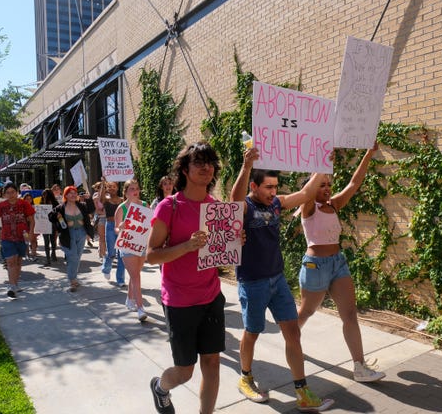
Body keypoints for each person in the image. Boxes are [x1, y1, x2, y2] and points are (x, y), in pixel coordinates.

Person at [230, 147, 333, 412]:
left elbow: (305, 194)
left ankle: (302, 391)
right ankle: (245, 377)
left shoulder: (276, 203)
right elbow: (234, 199)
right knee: (252, 333)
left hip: (277, 281)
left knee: (293, 333)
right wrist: (246, 166)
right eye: (267, 187)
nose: (273, 192)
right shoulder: (245, 207)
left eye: (275, 187)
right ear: (254, 185)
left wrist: (323, 164)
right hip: (252, 282)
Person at [146, 142, 226, 414]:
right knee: (184, 372)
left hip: (211, 295)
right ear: (184, 169)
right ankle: (160, 387)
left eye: (210, 163)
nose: (206, 168)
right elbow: (151, 255)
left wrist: (233, 242)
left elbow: (221, 256)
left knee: (213, 362)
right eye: (199, 162)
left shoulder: (216, 207)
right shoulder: (170, 206)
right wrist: (185, 247)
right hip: (179, 300)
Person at [297, 142, 385, 383]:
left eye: (328, 184)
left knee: (350, 314)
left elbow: (354, 183)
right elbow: (308, 191)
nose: (326, 188)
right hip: (315, 266)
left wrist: (368, 153)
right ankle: (291, 340)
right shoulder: (308, 207)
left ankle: (359, 366)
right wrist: (322, 163)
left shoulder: (334, 204)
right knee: (306, 311)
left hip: (338, 264)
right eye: (321, 185)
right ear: (312, 187)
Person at [0, 182, 35, 299]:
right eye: (8, 193)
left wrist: (31, 233)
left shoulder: (24, 204)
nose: (11, 195)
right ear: (4, 194)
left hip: (22, 237)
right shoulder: (1, 206)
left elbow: (31, 220)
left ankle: (16, 284)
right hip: (7, 237)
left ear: (17, 192)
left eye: (13, 192)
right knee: (10, 261)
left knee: (18, 261)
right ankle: (12, 286)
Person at [114, 179, 149, 321]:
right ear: (126, 192)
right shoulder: (121, 208)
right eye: (131, 189)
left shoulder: (145, 205)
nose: (135, 191)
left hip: (141, 244)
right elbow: (116, 230)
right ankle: (140, 308)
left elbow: (150, 224)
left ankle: (129, 298)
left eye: (137, 188)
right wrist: (120, 227)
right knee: (136, 277)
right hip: (127, 245)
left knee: (135, 274)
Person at [49, 186, 95, 292]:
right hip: (68, 235)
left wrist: (89, 199)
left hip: (81, 233)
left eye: (75, 193)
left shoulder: (82, 205)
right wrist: (57, 215)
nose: (73, 195)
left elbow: (92, 210)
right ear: (65, 195)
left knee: (77, 257)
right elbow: (50, 216)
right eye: (70, 193)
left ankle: (74, 277)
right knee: (73, 257)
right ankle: (72, 280)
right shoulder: (61, 207)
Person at [98, 179, 126, 286]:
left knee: (122, 255)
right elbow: (100, 198)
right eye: (109, 187)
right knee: (111, 253)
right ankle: (106, 269)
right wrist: (102, 184)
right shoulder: (106, 199)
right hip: (109, 226)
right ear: (107, 189)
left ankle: (120, 279)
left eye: (114, 186)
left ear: (118, 188)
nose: (112, 188)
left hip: (121, 227)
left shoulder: (123, 200)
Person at [39, 188, 59, 266]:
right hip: (44, 224)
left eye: (46, 194)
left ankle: (53, 253)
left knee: (53, 240)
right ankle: (48, 259)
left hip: (52, 224)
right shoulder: (41, 203)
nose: (44, 196)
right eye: (43, 194)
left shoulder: (55, 203)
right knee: (46, 241)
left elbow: (58, 212)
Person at [91, 181, 107, 259]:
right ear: (97, 189)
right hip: (101, 218)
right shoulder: (95, 196)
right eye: (101, 187)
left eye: (104, 187)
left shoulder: (108, 195)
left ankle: (103, 250)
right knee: (102, 237)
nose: (104, 188)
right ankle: (102, 254)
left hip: (110, 219)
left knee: (108, 237)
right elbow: (98, 210)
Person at [22, 193, 39, 261]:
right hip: (25, 226)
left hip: (34, 226)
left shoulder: (35, 207)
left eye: (30, 199)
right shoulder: (22, 207)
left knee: (33, 240)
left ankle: (34, 254)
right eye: (27, 199)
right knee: (26, 241)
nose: (28, 200)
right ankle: (26, 254)